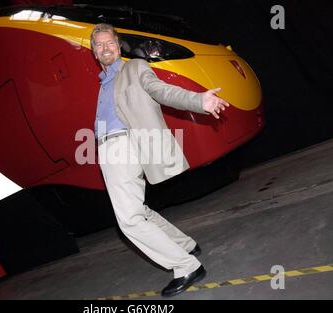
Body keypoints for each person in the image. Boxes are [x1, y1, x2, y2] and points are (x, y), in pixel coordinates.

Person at [90, 23, 229, 297]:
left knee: (129, 220)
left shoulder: (134, 68)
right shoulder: (104, 83)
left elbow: (161, 90)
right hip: (109, 150)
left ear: (118, 47)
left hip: (124, 146)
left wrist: (198, 101)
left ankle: (186, 266)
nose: (105, 48)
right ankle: (185, 245)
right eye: (99, 45)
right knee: (139, 211)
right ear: (94, 52)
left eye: (110, 43)